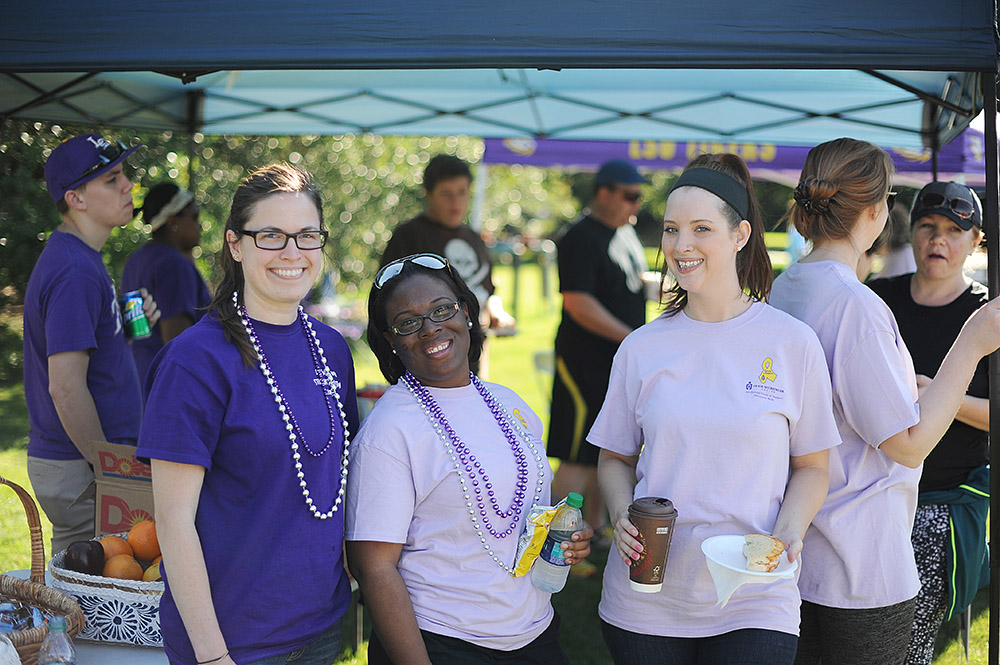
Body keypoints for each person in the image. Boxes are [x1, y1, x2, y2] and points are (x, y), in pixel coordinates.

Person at [590, 153, 839, 665]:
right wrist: (619, 514)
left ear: (741, 235)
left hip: (756, 595)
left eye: (702, 229)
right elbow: (613, 457)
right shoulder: (641, 347)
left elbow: (813, 467)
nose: (682, 246)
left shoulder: (793, 343)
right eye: (671, 229)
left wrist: (789, 530)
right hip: (646, 599)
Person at [769, 138, 1000, 665]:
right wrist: (973, 341)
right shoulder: (857, 306)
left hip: (796, 546)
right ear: (878, 210)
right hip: (857, 561)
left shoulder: (788, 287)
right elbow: (909, 444)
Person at [136, 164, 359, 665]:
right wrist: (214, 657)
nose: (292, 252)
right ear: (236, 245)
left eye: (306, 236)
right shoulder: (195, 360)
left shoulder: (331, 350)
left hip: (321, 628)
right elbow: (173, 523)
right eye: (271, 235)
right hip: (232, 641)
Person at [346, 253, 593, 665]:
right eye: (408, 322)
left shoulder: (507, 402)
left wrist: (565, 534)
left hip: (535, 634)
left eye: (442, 310)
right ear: (391, 339)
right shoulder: (389, 431)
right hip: (445, 642)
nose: (431, 329)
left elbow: (521, 513)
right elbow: (374, 569)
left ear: (465, 310)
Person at [868, 182, 989, 665]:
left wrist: (937, 393)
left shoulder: (986, 314)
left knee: (907, 643)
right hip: (871, 490)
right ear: (911, 233)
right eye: (928, 228)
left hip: (941, 499)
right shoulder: (877, 299)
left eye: (953, 232)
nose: (939, 241)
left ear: (976, 240)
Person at [23, 133, 159, 554]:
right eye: (111, 178)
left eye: (123, 174)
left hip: (76, 463)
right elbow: (64, 387)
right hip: (79, 466)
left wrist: (122, 322)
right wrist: (110, 472)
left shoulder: (79, 260)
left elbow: (88, 351)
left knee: (79, 589)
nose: (127, 186)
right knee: (100, 593)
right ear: (76, 199)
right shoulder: (75, 272)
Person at [548, 159, 650, 543]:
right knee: (575, 451)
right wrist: (631, 336)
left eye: (639, 197)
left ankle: (592, 530)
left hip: (614, 363)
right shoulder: (579, 237)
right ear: (604, 193)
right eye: (630, 196)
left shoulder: (625, 233)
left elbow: (631, 284)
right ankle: (552, 536)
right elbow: (578, 303)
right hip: (583, 362)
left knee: (603, 448)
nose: (636, 204)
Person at [380, 154, 515, 333]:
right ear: (428, 194)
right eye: (446, 193)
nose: (455, 202)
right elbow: (388, 299)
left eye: (462, 192)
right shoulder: (409, 237)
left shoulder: (474, 238)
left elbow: (486, 290)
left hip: (472, 353)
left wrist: (497, 314)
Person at [122, 182, 211, 383]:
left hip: (140, 381)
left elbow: (135, 331)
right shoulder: (173, 266)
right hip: (171, 386)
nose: (200, 226)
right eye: (194, 216)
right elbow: (178, 343)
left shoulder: (135, 261)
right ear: (173, 222)